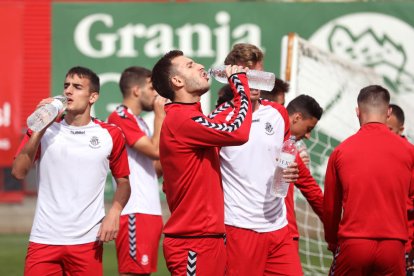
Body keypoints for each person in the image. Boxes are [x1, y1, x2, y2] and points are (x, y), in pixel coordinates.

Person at [12, 66, 131, 275]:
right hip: (44, 239)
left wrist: (115, 212)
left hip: (87, 242)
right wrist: (40, 128)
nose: (68, 91)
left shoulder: (110, 134)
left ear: (93, 97)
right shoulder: (44, 129)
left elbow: (124, 182)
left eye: (77, 87)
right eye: (66, 85)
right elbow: (19, 172)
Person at [151, 50, 253, 275]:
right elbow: (238, 133)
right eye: (189, 65)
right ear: (177, 81)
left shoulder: (192, 118)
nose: (199, 66)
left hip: (207, 240)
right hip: (192, 243)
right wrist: (240, 86)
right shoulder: (182, 119)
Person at [216, 43, 302, 275]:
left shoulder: (278, 114)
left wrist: (290, 169)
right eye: (246, 75)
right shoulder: (218, 120)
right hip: (239, 228)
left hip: (278, 227)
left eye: (258, 75)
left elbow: (283, 157)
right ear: (231, 78)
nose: (253, 82)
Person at [324, 85, 414, 275]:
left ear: (357, 111)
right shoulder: (409, 152)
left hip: (353, 244)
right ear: (388, 112)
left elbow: (331, 206)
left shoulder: (341, 151)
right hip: (394, 246)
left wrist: (332, 242)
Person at [107, 66, 166, 276]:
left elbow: (152, 170)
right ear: (136, 90)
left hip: (149, 210)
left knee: (142, 272)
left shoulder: (140, 122)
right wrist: (161, 116)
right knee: (132, 273)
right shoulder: (120, 117)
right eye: (152, 88)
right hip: (134, 210)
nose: (156, 94)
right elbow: (155, 150)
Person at [285, 95, 324, 250]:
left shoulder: (291, 148)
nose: (308, 136)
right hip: (249, 230)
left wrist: (335, 224)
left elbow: (311, 189)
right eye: (308, 129)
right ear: (297, 117)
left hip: (285, 234)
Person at [386, 103, 414, 275]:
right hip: (374, 244)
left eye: (389, 129)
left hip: (404, 247)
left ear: (401, 129)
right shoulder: (371, 153)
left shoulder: (410, 157)